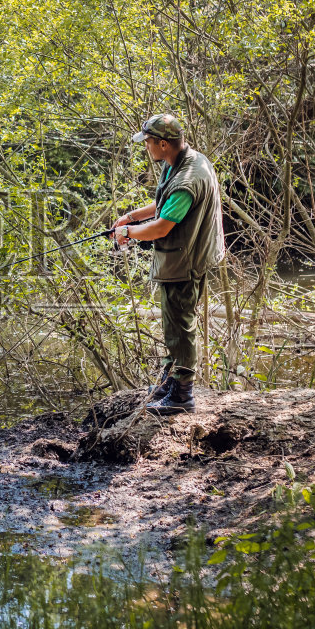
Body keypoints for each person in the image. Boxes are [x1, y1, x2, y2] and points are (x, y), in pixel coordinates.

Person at [110, 113, 226, 414]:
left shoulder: (188, 179)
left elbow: (162, 227)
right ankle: (170, 380)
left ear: (163, 143)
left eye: (148, 142)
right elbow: (164, 202)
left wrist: (127, 233)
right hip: (184, 256)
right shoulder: (181, 161)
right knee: (172, 323)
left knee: (181, 325)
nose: (145, 146)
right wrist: (131, 216)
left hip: (186, 261)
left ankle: (182, 395)